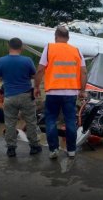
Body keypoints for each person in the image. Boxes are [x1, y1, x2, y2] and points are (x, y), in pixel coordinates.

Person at [34, 26, 87, 159]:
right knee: (70, 120)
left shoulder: (49, 48)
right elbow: (84, 71)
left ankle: (53, 150)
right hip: (71, 93)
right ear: (68, 38)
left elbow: (40, 70)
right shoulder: (76, 50)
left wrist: (36, 87)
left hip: (53, 92)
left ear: (56, 37)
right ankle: (71, 150)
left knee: (51, 120)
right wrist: (82, 90)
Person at [0, 38, 41, 157]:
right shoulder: (27, 60)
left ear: (8, 46)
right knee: (31, 121)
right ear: (21, 47)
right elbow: (33, 75)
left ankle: (11, 148)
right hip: (26, 95)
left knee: (10, 123)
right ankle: (34, 146)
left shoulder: (1, 61)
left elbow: (0, 78)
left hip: (9, 96)